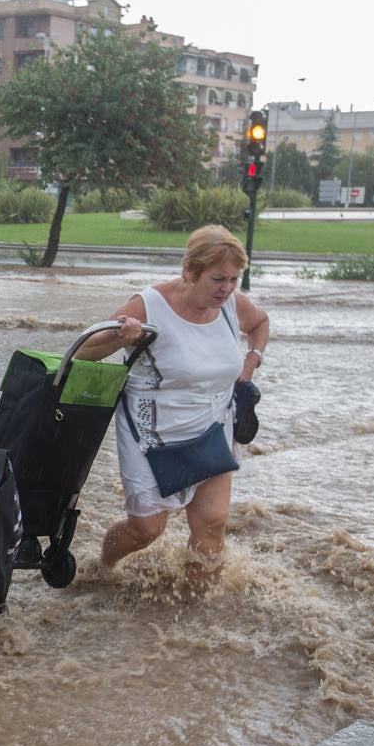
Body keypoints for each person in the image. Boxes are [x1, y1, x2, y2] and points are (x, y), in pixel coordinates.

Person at [73, 224, 269, 580]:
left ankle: (197, 621)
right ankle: (101, 570)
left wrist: (251, 359)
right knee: (146, 529)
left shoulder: (231, 305)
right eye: (217, 279)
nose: (226, 289)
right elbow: (82, 351)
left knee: (212, 526)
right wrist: (120, 337)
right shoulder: (149, 305)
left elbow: (260, 323)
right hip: (152, 432)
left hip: (212, 427)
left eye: (234, 279)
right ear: (190, 272)